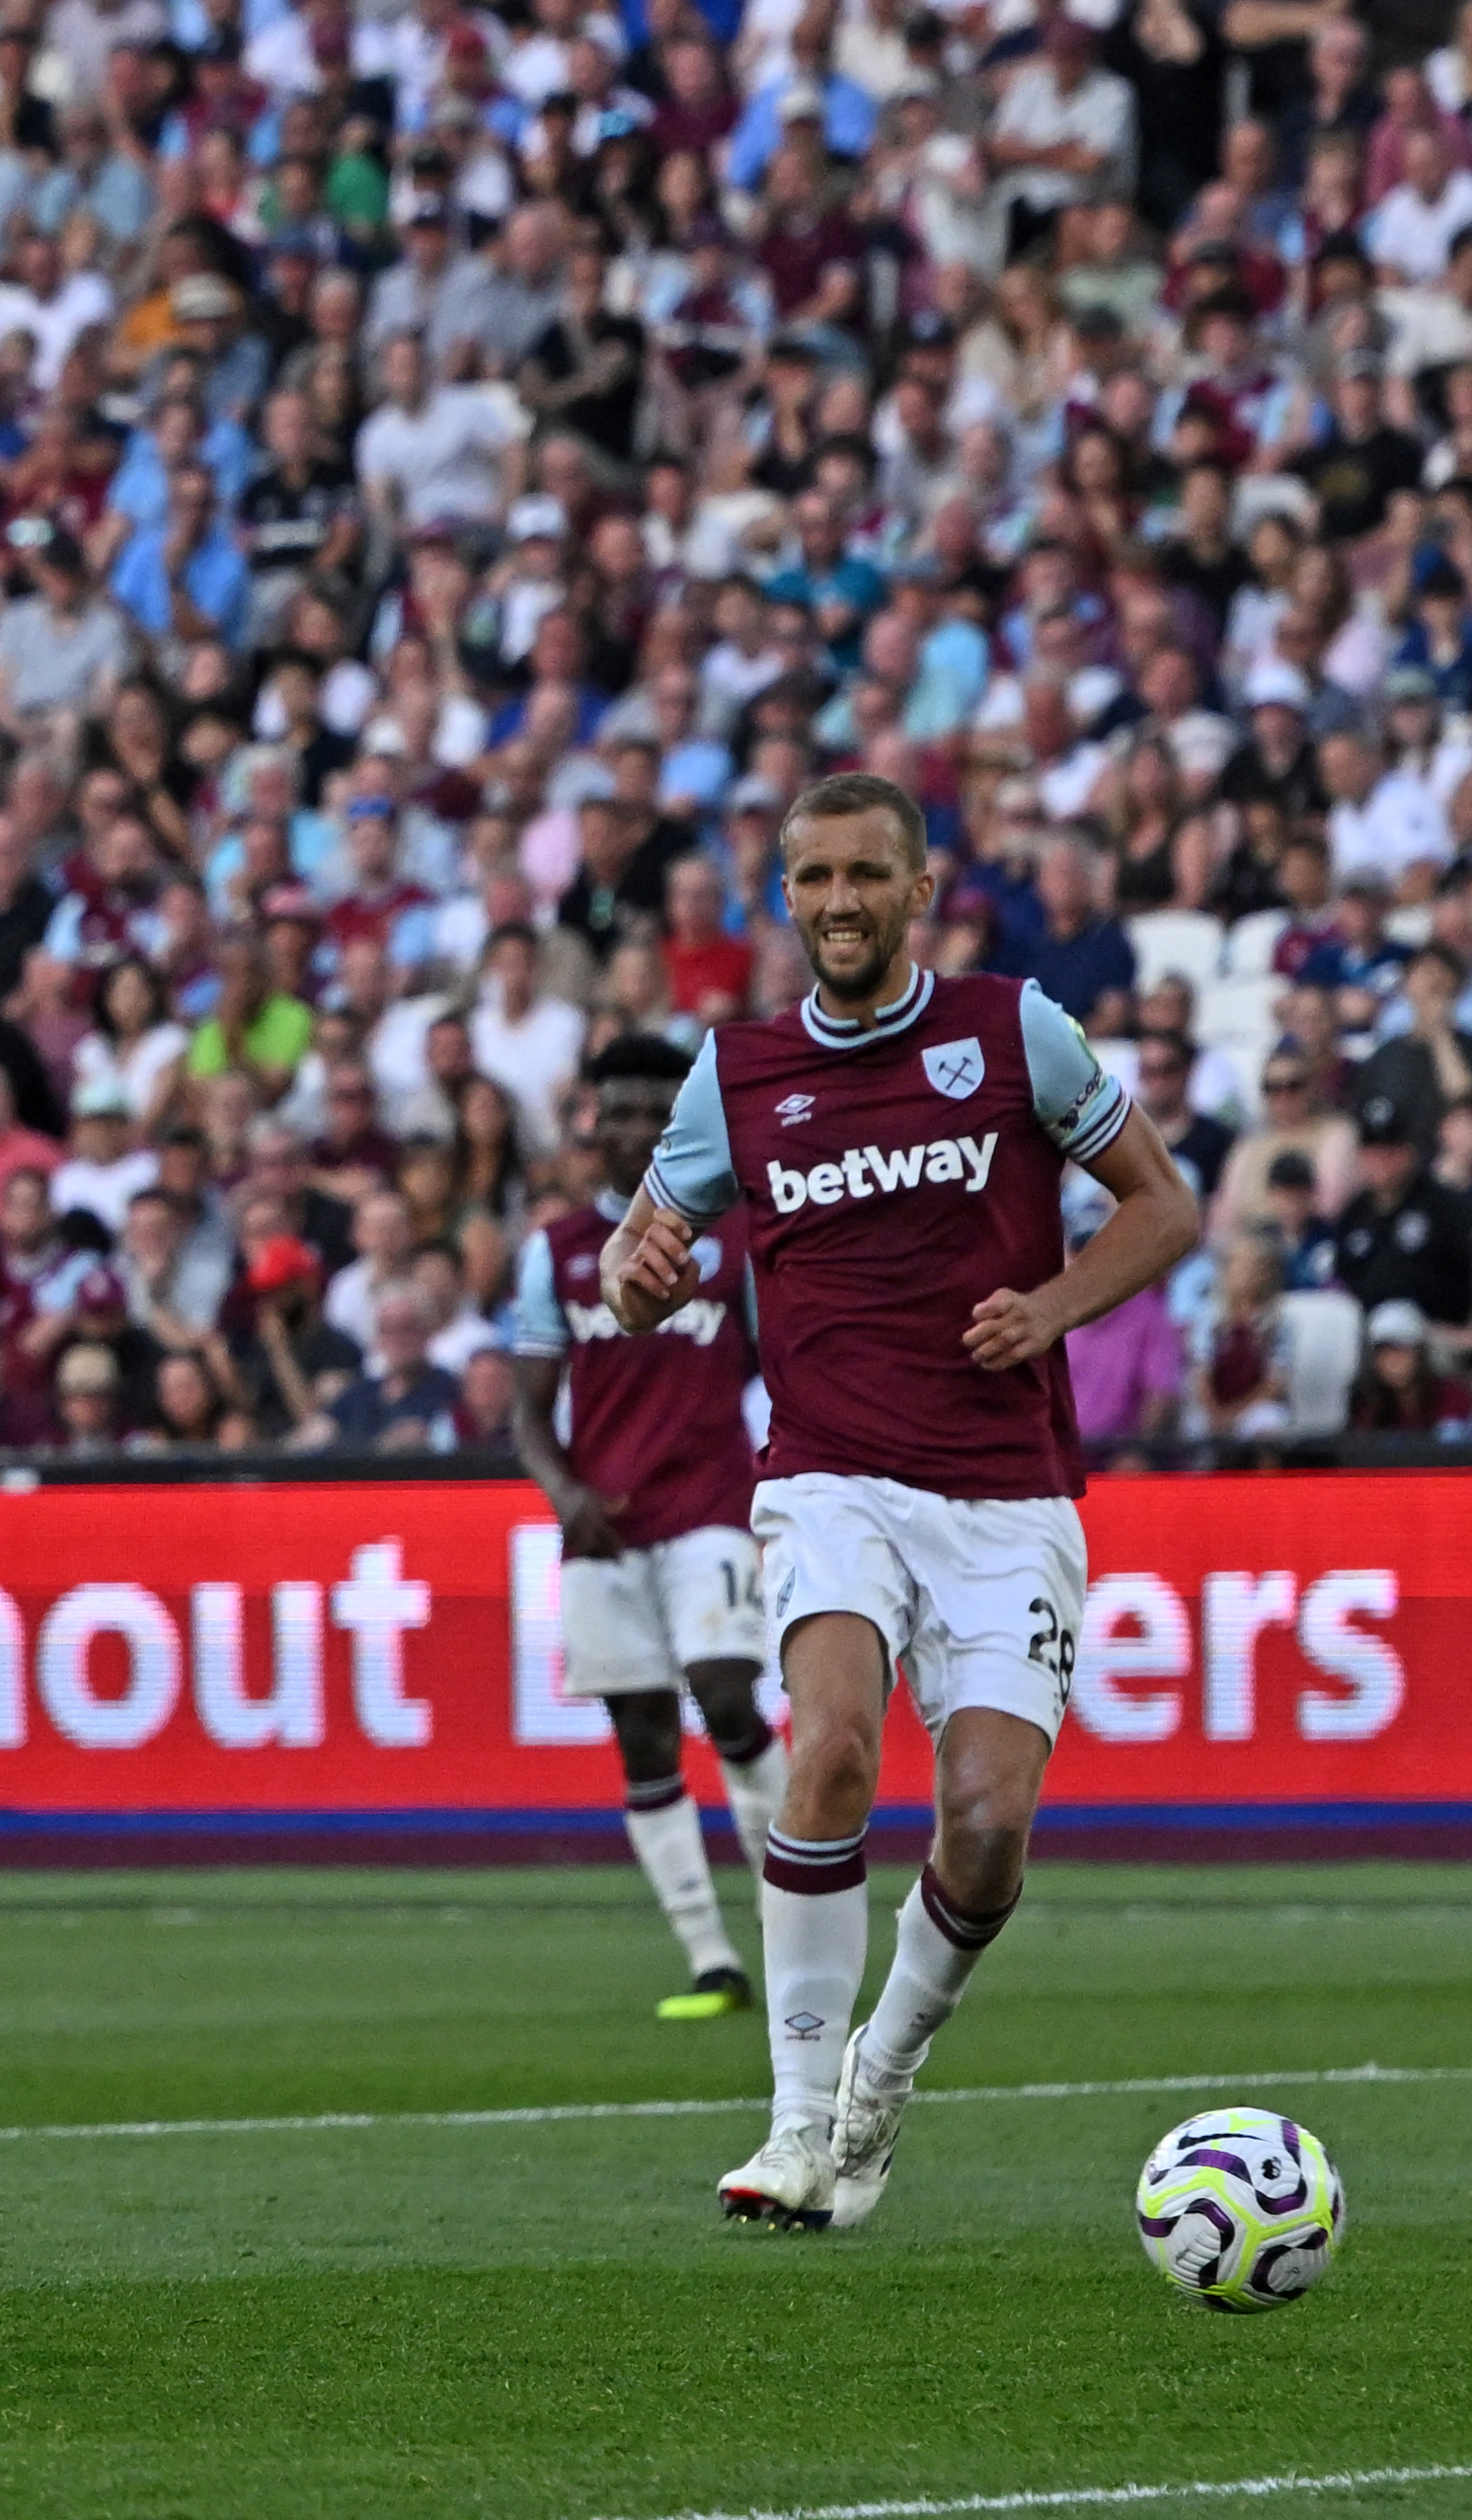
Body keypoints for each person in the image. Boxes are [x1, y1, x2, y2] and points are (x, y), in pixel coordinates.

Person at [607, 774, 1200, 2230]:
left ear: (918, 888)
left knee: (987, 1825)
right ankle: (798, 2125)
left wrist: (1052, 1308)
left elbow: (1165, 1206)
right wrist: (641, 1281)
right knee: (829, 1754)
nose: (838, 904)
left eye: (865, 875)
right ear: (786, 896)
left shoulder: (1014, 1032)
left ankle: (882, 2076)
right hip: (827, 1473)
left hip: (1004, 1491)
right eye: (811, 880)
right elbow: (640, 1256)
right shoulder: (733, 1074)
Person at [509, 1034, 790, 2022]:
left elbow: (781, 1361)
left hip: (709, 1506)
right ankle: (712, 1957)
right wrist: (562, 1490)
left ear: (682, 1122)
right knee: (641, 1735)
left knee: (727, 1694)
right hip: (604, 1525)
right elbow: (528, 1401)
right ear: (592, 1122)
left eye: (651, 1111)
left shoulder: (737, 1238)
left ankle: (794, 1905)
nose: (631, 1128)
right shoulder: (558, 1249)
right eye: (615, 1110)